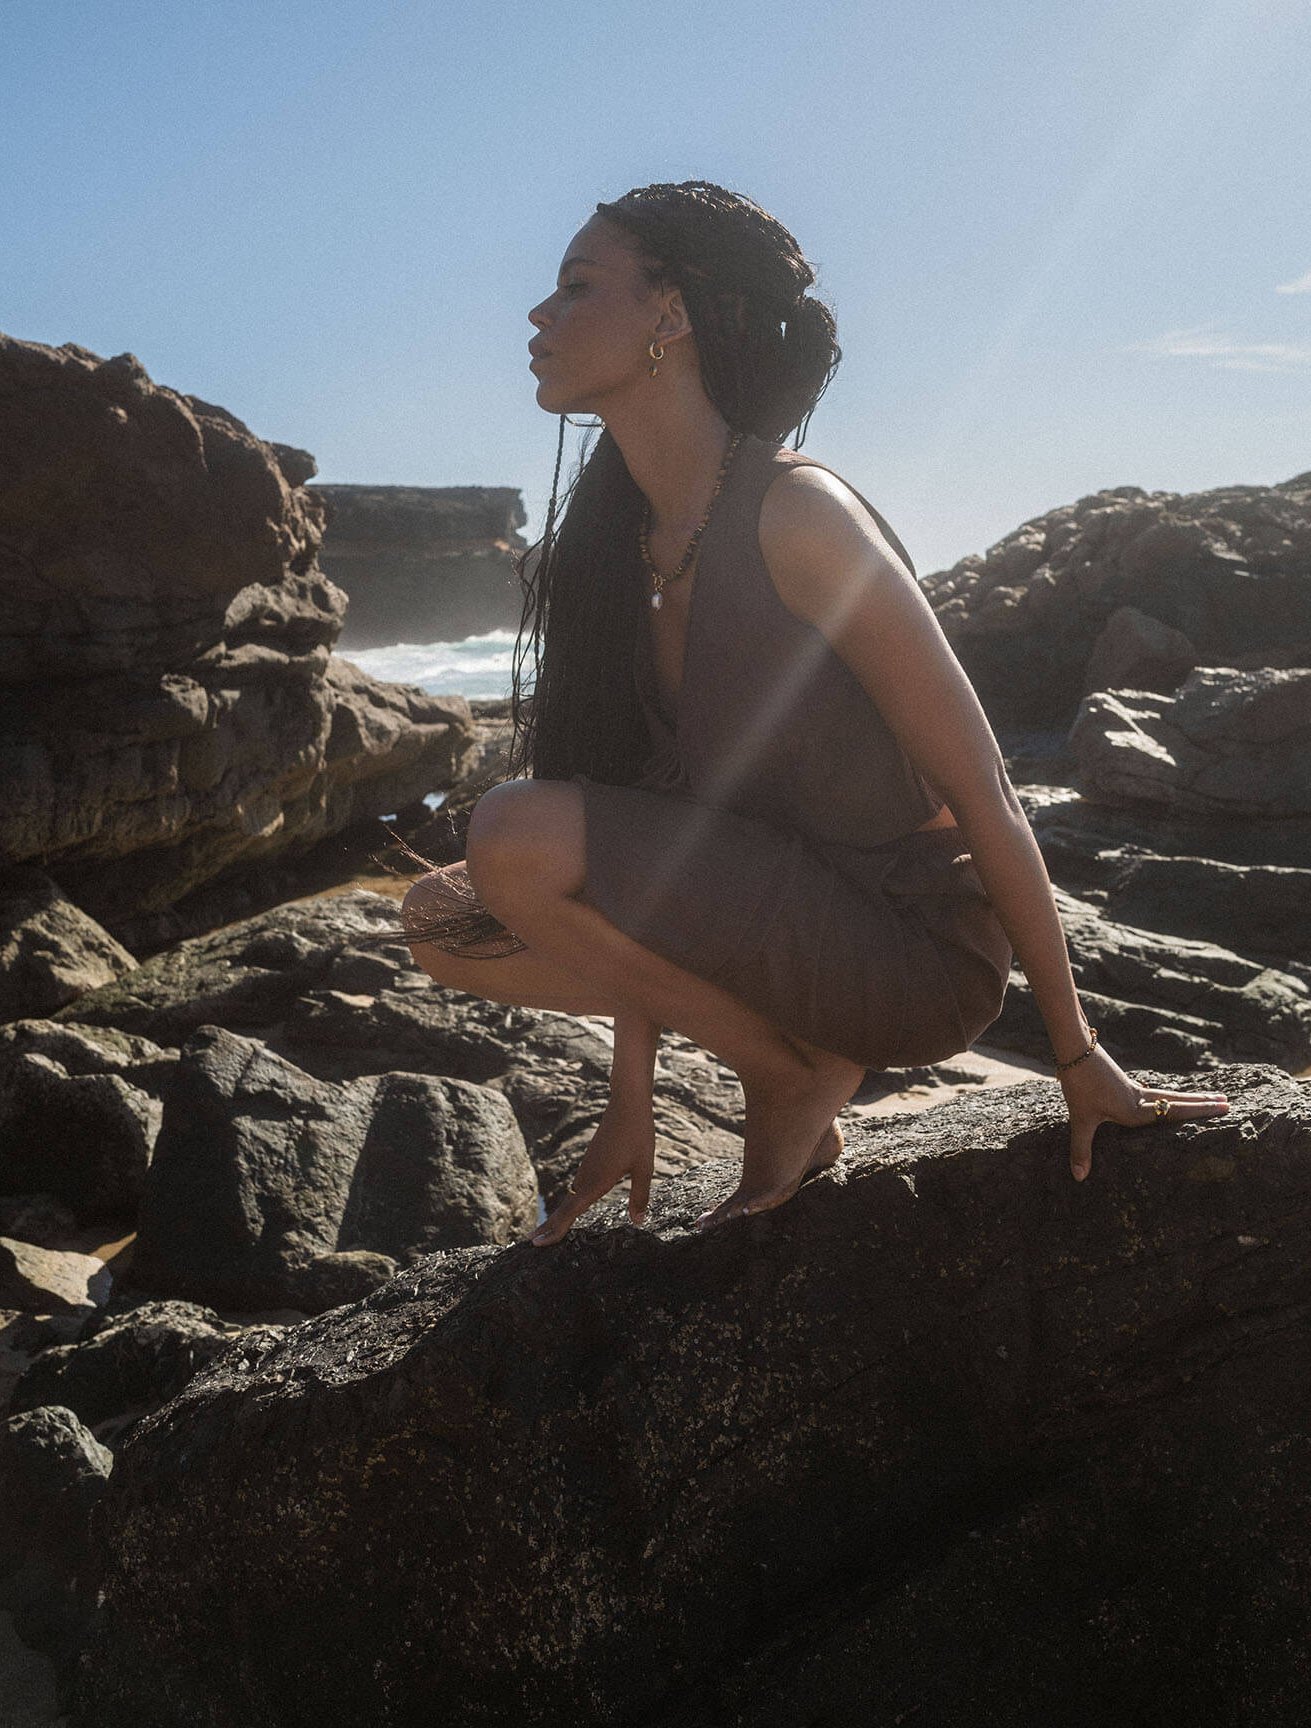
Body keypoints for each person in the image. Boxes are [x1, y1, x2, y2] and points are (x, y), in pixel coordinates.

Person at [399, 180, 1230, 1245]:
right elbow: (644, 836)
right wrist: (629, 1095)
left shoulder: (797, 515)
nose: (539, 313)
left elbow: (986, 789)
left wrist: (1077, 1055)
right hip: (778, 912)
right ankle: (795, 1061)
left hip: (911, 950)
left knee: (514, 830)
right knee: (443, 919)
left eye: (576, 286)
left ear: (671, 314)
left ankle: (784, 1076)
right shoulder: (620, 547)